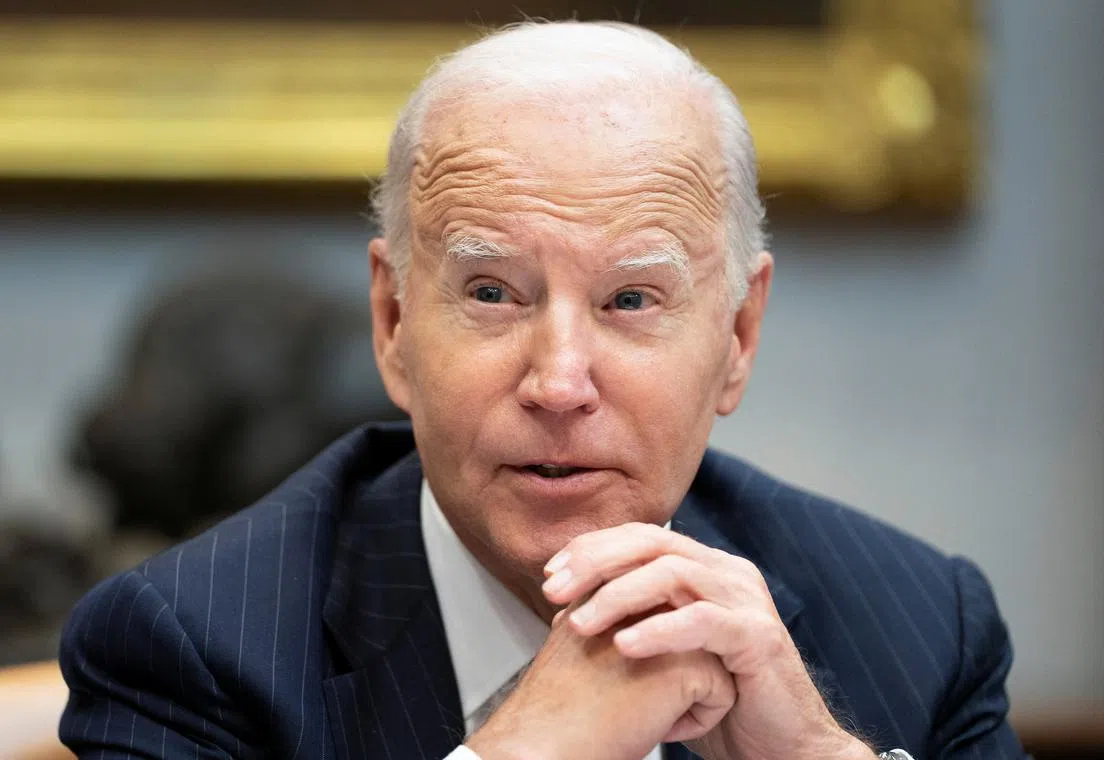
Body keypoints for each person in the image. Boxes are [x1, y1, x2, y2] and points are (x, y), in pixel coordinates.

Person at [58, 21, 1027, 760]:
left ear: (738, 335)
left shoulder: (917, 625)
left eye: (632, 299)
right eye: (491, 293)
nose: (560, 382)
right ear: (393, 322)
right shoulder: (193, 650)